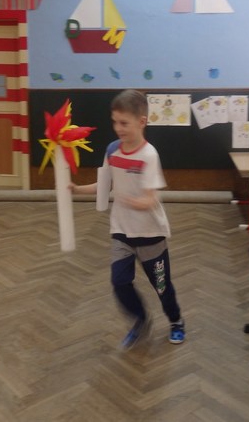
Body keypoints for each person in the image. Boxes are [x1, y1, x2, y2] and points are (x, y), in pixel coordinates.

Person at [70, 89, 185, 349]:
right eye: (115, 122)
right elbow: (104, 185)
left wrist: (134, 201)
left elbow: (151, 199)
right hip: (121, 231)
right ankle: (141, 320)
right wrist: (76, 189)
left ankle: (176, 321)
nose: (118, 128)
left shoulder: (149, 155)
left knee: (161, 285)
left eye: (124, 123)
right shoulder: (112, 150)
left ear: (142, 121)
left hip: (150, 234)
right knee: (119, 281)